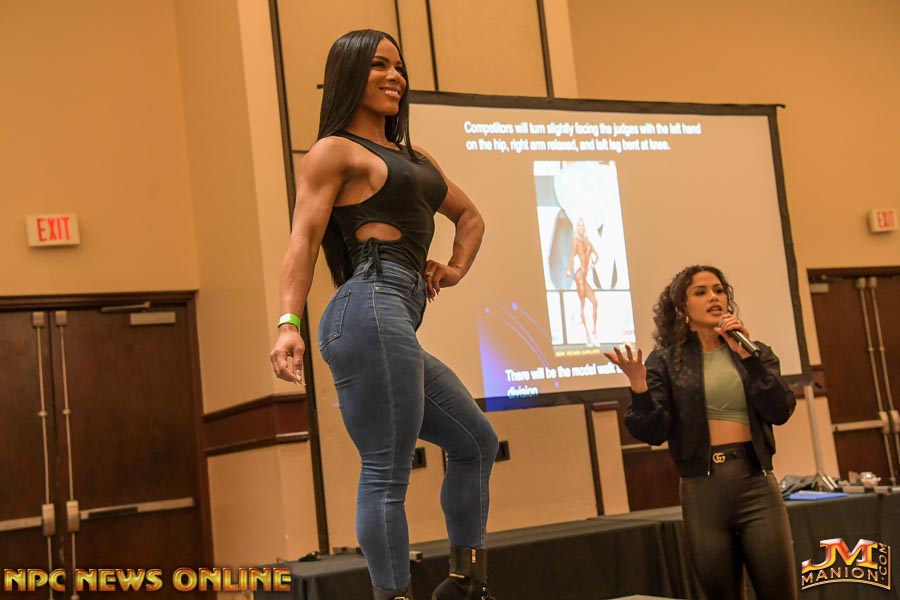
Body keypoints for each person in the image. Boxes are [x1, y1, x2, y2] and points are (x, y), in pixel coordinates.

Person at [269, 30, 498, 600]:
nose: (395, 76)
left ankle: (465, 585)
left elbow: (471, 217)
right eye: (378, 65)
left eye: (399, 67)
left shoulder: (417, 158)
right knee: (386, 469)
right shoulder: (334, 151)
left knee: (476, 442)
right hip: (368, 305)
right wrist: (287, 324)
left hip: (394, 314)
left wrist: (454, 268)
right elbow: (303, 239)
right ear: (349, 74)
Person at [604, 265, 798, 600]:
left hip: (756, 485)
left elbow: (780, 410)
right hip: (703, 494)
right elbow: (653, 431)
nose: (714, 297)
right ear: (682, 308)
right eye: (701, 292)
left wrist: (749, 359)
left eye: (719, 290)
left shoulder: (754, 351)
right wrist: (639, 386)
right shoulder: (666, 362)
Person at [564, 217, 599, 346]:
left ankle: (594, 331)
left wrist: (591, 266)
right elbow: (572, 256)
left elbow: (597, 256)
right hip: (579, 276)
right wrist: (568, 271)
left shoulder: (587, 241)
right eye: (579, 225)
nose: (581, 227)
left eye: (582, 225)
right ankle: (587, 334)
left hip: (585, 276)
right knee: (583, 303)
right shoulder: (576, 241)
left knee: (594, 302)